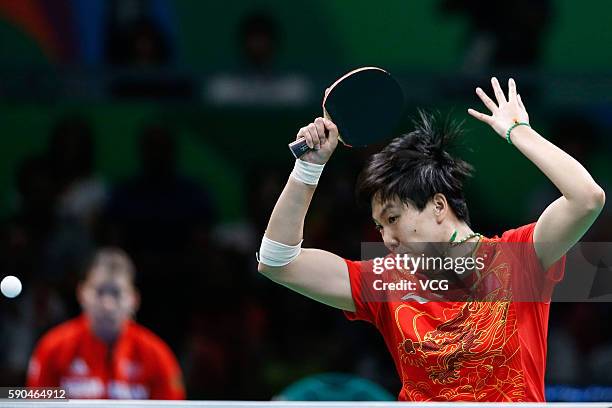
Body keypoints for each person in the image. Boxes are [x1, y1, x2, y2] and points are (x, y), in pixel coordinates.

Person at [257, 77, 606, 402]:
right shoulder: (385, 282)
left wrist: (519, 132)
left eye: (393, 219)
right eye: (379, 227)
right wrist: (308, 167)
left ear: (438, 205)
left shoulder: (520, 258)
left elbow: (587, 198)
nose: (388, 239)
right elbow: (276, 261)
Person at [27, 248, 185, 399]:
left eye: (117, 294)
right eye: (99, 292)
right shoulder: (53, 348)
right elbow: (35, 403)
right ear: (81, 293)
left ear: (134, 299)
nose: (107, 304)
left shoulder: (157, 355)